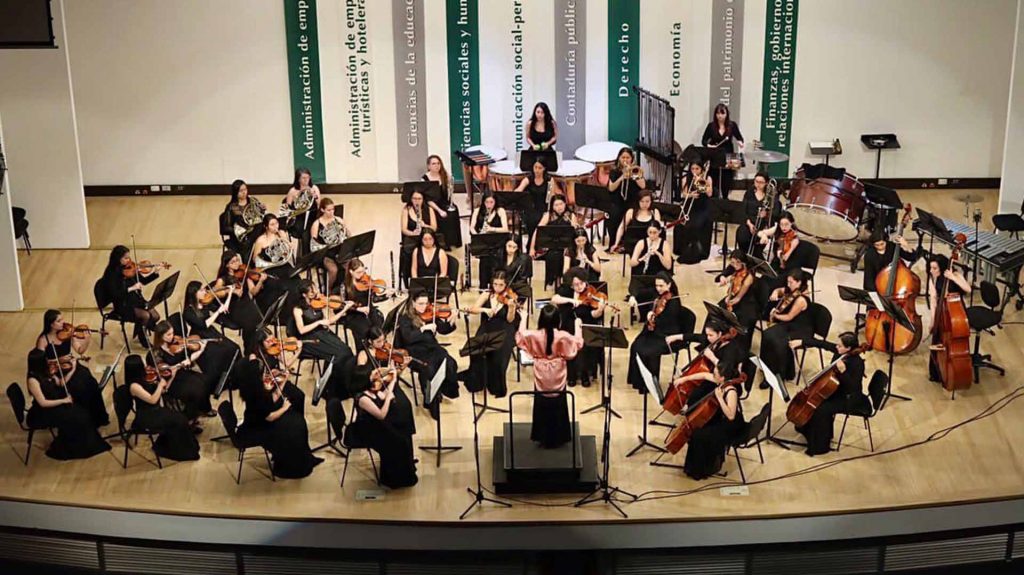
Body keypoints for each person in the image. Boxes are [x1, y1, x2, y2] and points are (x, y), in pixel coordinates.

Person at [236, 358, 323, 478]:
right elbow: (270, 417)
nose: (266, 375)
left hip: (261, 421)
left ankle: (302, 458)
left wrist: (283, 381)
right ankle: (290, 465)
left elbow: (271, 399)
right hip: (258, 428)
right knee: (295, 427)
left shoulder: (254, 387)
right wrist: (284, 408)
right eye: (263, 373)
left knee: (297, 422)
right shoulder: (255, 393)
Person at [790, 332, 869, 456]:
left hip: (849, 398)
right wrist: (802, 342)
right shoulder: (841, 352)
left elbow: (852, 387)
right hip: (837, 390)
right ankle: (808, 431)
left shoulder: (857, 363)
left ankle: (820, 446)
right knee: (818, 403)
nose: (836, 347)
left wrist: (843, 372)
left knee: (820, 409)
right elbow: (823, 344)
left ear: (848, 348)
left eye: (839, 346)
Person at [515, 304, 583, 448]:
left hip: (541, 372)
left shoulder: (534, 335)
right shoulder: (562, 335)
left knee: (541, 402)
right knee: (559, 402)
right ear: (558, 321)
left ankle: (541, 435)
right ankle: (560, 435)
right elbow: (578, 343)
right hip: (558, 372)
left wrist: (523, 318)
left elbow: (520, 337)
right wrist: (578, 327)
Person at [349, 348, 418, 489]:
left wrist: (393, 377)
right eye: (373, 375)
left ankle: (405, 467)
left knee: (404, 431)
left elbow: (384, 394)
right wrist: (389, 398)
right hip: (369, 429)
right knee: (399, 441)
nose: (377, 375)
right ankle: (394, 479)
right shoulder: (362, 398)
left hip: (377, 423)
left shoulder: (371, 389)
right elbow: (381, 414)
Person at [24, 349, 111, 460]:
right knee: (75, 418)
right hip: (43, 413)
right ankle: (72, 449)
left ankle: (85, 445)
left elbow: (61, 383)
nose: (49, 361)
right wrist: (64, 400)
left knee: (82, 413)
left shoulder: (45, 372)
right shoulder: (33, 380)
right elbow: (43, 403)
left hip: (54, 405)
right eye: (45, 360)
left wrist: (73, 369)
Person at [672, 360, 745, 480]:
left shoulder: (731, 391)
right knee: (699, 429)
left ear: (722, 378)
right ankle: (701, 465)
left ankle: (703, 469)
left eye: (715, 374)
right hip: (721, 418)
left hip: (729, 425)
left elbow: (731, 416)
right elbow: (704, 375)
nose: (713, 376)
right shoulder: (721, 381)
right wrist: (684, 379)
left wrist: (720, 399)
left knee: (699, 435)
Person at [35, 309, 109, 427]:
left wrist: (87, 340)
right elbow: (40, 362)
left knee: (91, 383)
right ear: (51, 324)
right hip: (56, 371)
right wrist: (53, 375)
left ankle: (95, 418)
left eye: (62, 319)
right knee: (78, 388)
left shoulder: (68, 333)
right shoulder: (43, 340)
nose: (63, 323)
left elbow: (80, 350)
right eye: (59, 321)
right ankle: (79, 420)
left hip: (72, 365)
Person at [124, 354, 200, 461]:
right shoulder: (134, 386)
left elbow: (163, 391)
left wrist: (171, 376)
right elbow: (152, 399)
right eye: (143, 363)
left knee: (181, 418)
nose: (146, 365)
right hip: (147, 416)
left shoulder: (145, 376)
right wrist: (160, 385)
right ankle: (180, 451)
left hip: (156, 410)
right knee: (179, 420)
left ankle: (186, 446)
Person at [290, 278, 355, 401]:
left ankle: (343, 386)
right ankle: (330, 390)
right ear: (304, 295)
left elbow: (329, 321)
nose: (316, 293)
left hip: (323, 334)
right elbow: (301, 330)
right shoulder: (298, 309)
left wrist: (344, 309)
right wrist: (319, 322)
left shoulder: (318, 303)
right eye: (311, 292)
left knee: (346, 350)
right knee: (338, 355)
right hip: (309, 339)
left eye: (315, 289)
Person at [395, 294, 460, 416]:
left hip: (432, 347)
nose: (424, 307)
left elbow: (444, 330)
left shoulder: (431, 314)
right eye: (420, 303)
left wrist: (452, 319)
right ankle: (431, 401)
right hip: (415, 351)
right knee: (429, 370)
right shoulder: (405, 318)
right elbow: (408, 338)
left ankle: (443, 389)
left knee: (450, 363)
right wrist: (423, 329)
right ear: (413, 303)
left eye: (426, 303)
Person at [459, 271, 519, 398]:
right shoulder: (487, 294)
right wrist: (485, 310)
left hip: (504, 329)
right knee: (477, 349)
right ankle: (478, 382)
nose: (497, 288)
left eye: (501, 285)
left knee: (499, 354)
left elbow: (510, 320)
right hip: (488, 326)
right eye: (495, 284)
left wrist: (511, 308)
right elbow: (474, 309)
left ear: (506, 285)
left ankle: (495, 385)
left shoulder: (510, 297)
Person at [626, 273, 685, 394]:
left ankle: (650, 384)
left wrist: (652, 317)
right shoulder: (657, 295)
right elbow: (638, 285)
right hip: (653, 329)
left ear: (669, 284)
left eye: (661, 286)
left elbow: (667, 322)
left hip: (666, 334)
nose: (658, 288)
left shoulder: (673, 302)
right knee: (636, 346)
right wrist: (633, 296)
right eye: (656, 285)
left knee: (648, 350)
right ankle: (638, 381)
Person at [551, 267, 608, 388]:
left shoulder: (591, 292)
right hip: (569, 323)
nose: (580, 287)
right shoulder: (565, 290)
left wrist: (600, 309)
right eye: (575, 285)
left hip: (586, 323)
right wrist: (571, 300)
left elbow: (593, 315)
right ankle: (571, 374)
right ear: (571, 285)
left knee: (585, 345)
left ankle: (585, 374)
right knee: (568, 341)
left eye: (581, 283)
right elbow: (554, 299)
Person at [150, 320, 213, 431]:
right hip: (171, 381)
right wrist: (179, 365)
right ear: (160, 336)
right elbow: (165, 372)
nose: (172, 336)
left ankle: (203, 408)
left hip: (182, 373)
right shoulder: (156, 353)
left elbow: (188, 358)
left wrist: (198, 351)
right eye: (168, 334)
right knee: (195, 392)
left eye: (172, 333)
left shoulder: (176, 343)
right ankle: (188, 420)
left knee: (205, 380)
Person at [182, 281, 241, 393]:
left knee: (234, 347)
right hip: (200, 337)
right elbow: (204, 324)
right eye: (202, 290)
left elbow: (224, 309)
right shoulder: (188, 312)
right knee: (218, 355)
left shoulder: (204, 303)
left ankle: (233, 378)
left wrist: (230, 293)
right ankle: (219, 384)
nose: (205, 291)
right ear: (194, 293)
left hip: (211, 332)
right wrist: (217, 312)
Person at [101, 245, 161, 346]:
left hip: (135, 300)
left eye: (129, 257)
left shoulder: (130, 268)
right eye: (125, 258)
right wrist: (132, 288)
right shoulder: (111, 273)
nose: (129, 260)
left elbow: (143, 281)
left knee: (155, 316)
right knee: (145, 316)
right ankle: (143, 338)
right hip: (122, 305)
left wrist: (155, 273)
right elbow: (115, 294)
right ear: (117, 258)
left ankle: (141, 328)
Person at [760, 270, 813, 383]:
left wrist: (775, 314)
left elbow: (789, 316)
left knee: (776, 341)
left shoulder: (801, 299)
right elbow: (780, 290)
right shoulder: (792, 290)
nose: (788, 285)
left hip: (800, 328)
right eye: (787, 282)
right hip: (789, 324)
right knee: (766, 334)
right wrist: (775, 292)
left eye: (791, 282)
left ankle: (777, 374)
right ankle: (766, 366)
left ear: (799, 283)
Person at [927, 254, 972, 383]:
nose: (932, 271)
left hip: (956, 312)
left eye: (935, 268)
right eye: (931, 268)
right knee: (937, 339)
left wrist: (952, 278)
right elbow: (934, 299)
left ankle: (955, 371)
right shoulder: (933, 278)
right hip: (943, 313)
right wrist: (932, 320)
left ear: (941, 267)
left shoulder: (955, 274)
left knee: (954, 339)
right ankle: (936, 372)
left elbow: (968, 289)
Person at [250, 213, 301, 314]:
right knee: (280, 285)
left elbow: (288, 252)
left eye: (276, 223)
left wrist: (286, 241)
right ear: (266, 227)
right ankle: (281, 313)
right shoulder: (261, 240)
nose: (275, 226)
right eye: (272, 224)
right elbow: (255, 259)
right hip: (269, 268)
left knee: (296, 282)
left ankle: (296, 310)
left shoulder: (282, 234)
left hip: (283, 265)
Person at [214, 250, 264, 346]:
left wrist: (261, 281)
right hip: (235, 308)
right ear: (227, 265)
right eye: (233, 262)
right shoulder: (223, 279)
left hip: (247, 303)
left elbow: (253, 291)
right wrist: (231, 290)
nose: (237, 263)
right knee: (250, 325)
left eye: (237, 260)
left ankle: (258, 346)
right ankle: (250, 347)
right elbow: (216, 292)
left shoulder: (245, 273)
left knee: (259, 321)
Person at [530, 195, 578, 289]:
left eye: (561, 204)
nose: (559, 207)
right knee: (552, 256)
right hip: (552, 245)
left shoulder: (571, 216)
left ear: (565, 204)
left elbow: (576, 235)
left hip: (567, 246)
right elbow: (538, 230)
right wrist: (532, 248)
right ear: (552, 206)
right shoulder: (548, 215)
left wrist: (574, 227)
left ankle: (565, 281)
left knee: (567, 255)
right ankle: (552, 281)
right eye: (556, 205)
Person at [701, 103, 745, 197]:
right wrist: (709, 146)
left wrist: (740, 142)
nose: (720, 116)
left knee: (726, 180)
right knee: (714, 179)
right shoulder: (711, 126)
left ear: (726, 114)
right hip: (715, 155)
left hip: (728, 156)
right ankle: (714, 200)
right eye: (718, 113)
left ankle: (725, 199)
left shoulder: (732, 125)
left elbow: (739, 138)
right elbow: (704, 141)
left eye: (722, 113)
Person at [674, 160, 714, 264]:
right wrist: (691, 195)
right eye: (692, 169)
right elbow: (683, 194)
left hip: (703, 207)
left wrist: (701, 183)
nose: (695, 171)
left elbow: (710, 194)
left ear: (701, 169)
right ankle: (683, 249)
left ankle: (699, 250)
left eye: (697, 169)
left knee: (697, 225)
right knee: (680, 225)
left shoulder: (707, 178)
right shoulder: (686, 178)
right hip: (690, 206)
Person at [516, 159, 562, 246]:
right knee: (532, 219)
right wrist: (515, 193)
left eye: (539, 168)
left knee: (543, 220)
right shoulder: (529, 179)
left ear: (544, 168)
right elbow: (520, 189)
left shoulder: (549, 179)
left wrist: (548, 212)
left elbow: (551, 197)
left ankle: (538, 246)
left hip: (543, 208)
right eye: (535, 167)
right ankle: (532, 244)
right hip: (530, 208)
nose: (536, 170)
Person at [606, 147, 646, 245]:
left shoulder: (635, 170)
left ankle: (628, 243)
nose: (625, 160)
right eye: (623, 157)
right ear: (619, 158)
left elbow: (643, 186)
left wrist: (634, 176)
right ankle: (615, 243)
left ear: (631, 159)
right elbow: (611, 188)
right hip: (618, 201)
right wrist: (621, 178)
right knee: (614, 215)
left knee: (632, 216)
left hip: (632, 201)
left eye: (627, 157)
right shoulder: (614, 171)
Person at [342, 258, 386, 348]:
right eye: (359, 272)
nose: (362, 274)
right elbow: (343, 305)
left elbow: (374, 298)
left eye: (363, 271)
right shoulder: (345, 286)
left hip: (369, 309)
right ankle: (363, 352)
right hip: (354, 314)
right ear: (351, 272)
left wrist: (386, 295)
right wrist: (358, 309)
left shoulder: (366, 281)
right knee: (365, 329)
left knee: (378, 326)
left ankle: (380, 349)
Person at [309, 197, 350, 293]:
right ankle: (328, 290)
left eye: (333, 209)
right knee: (333, 270)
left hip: (339, 250)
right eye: (328, 210)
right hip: (326, 253)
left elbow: (348, 235)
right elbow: (313, 245)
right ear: (322, 210)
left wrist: (345, 229)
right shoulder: (316, 224)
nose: (331, 212)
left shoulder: (338, 220)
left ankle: (346, 288)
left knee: (350, 266)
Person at [423, 154, 463, 250]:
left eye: (438, 163)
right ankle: (445, 243)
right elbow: (427, 199)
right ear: (428, 166)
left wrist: (450, 187)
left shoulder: (445, 175)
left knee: (454, 211)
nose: (436, 166)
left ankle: (454, 241)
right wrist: (440, 210)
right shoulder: (425, 179)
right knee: (443, 216)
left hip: (444, 202)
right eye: (433, 164)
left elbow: (448, 193)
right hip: (432, 205)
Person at [470, 193, 509, 288]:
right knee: (484, 262)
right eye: (486, 202)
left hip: (497, 243)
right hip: (483, 242)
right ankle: (483, 286)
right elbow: (472, 227)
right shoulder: (477, 211)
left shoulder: (500, 211)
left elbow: (505, 229)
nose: (489, 205)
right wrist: (477, 235)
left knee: (495, 262)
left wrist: (492, 229)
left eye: (491, 202)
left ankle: (495, 286)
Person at [736, 173, 781, 256]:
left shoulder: (772, 195)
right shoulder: (749, 193)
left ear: (766, 183)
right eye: (756, 181)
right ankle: (744, 256)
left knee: (759, 240)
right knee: (742, 235)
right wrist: (749, 224)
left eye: (761, 182)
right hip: (749, 223)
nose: (758, 184)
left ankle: (755, 257)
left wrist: (767, 214)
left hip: (763, 225)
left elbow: (776, 212)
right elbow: (743, 210)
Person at [399, 189, 437, 288]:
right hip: (412, 239)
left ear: (423, 199)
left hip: (426, 239)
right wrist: (413, 233)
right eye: (414, 198)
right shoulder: (406, 209)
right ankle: (409, 282)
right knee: (408, 254)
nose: (417, 201)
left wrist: (425, 226)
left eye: (419, 199)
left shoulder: (429, 209)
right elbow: (404, 229)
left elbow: (434, 227)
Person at [757, 211, 801, 287]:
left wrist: (782, 254)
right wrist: (764, 236)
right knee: (761, 282)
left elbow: (786, 258)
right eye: (781, 224)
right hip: (775, 265)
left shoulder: (794, 238)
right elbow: (760, 232)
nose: (783, 227)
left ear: (791, 223)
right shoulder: (777, 229)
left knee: (768, 284)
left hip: (788, 269)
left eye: (786, 224)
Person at [224, 179, 265, 256]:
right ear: (236, 192)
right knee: (248, 245)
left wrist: (262, 209)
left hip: (255, 231)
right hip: (240, 238)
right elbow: (226, 227)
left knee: (262, 224)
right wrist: (240, 230)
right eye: (241, 191)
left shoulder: (253, 201)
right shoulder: (231, 207)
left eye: (245, 189)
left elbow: (260, 216)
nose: (244, 192)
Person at [279, 167, 322, 241]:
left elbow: (319, 205)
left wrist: (314, 196)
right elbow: (286, 209)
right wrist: (298, 196)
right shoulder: (292, 191)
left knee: (315, 230)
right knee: (304, 233)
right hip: (298, 219)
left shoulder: (314, 188)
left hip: (312, 217)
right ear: (298, 179)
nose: (306, 180)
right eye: (303, 178)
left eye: (308, 177)